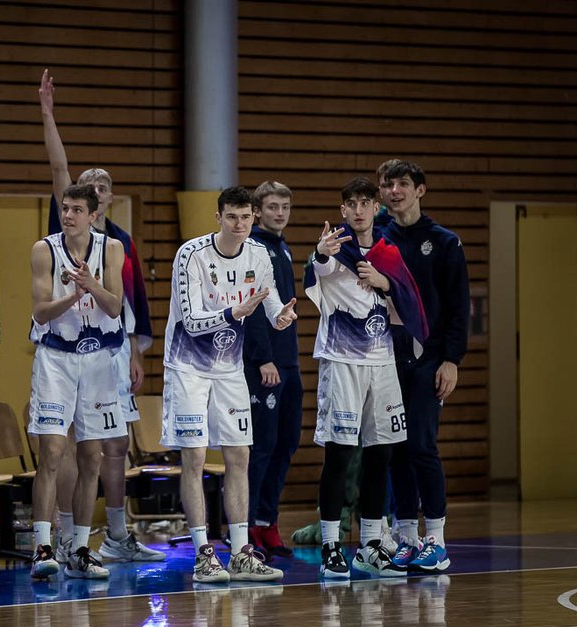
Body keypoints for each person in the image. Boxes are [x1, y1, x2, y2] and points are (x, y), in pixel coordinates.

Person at [37, 69, 162, 563]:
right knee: (61, 447)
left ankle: (112, 536)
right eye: (80, 188)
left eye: (99, 187)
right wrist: (47, 113)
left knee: (109, 447)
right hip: (63, 349)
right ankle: (65, 537)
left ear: (104, 201)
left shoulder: (121, 244)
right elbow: (58, 166)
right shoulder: (60, 225)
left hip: (108, 353)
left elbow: (126, 305)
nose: (89, 191)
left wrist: (134, 351)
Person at [161, 186, 295, 584]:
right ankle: (203, 553)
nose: (240, 225)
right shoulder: (191, 254)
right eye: (232, 217)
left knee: (241, 456)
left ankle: (240, 553)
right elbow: (190, 321)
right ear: (218, 217)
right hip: (188, 366)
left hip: (229, 367)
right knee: (196, 458)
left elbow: (270, 307)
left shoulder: (260, 254)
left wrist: (281, 318)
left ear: (254, 218)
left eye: (246, 217)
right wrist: (233, 311)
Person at [304, 177, 427, 579]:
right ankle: (330, 545)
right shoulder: (332, 249)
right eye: (351, 204)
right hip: (342, 363)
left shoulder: (388, 252)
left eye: (365, 203)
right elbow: (315, 272)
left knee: (381, 453)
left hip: (383, 363)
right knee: (339, 453)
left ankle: (371, 544)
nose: (358, 210)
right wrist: (319, 254)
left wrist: (384, 281)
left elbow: (408, 300)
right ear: (342, 211)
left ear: (377, 208)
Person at [27, 184, 125, 580]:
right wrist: (72, 295)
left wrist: (92, 285)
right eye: (64, 209)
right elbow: (39, 312)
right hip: (56, 358)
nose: (68, 215)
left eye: (76, 210)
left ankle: (82, 548)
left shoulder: (112, 249)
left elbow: (115, 306)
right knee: (51, 452)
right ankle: (43, 547)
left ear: (94, 215)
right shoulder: (43, 249)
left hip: (99, 360)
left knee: (92, 457)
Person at [380, 161, 470, 574]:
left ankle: (436, 539)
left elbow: (457, 307)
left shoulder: (444, 242)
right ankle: (407, 537)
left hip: (430, 358)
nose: (394, 190)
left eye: (403, 184)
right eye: (388, 184)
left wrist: (451, 359)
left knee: (420, 445)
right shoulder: (376, 237)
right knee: (395, 449)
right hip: (385, 357)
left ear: (421, 190)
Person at [242, 181, 302, 559]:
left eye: (285, 206)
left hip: (289, 361)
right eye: (272, 207)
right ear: (258, 211)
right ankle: (247, 526)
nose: (279, 213)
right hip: (264, 364)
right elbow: (254, 308)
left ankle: (269, 522)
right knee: (261, 447)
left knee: (286, 443)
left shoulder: (283, 247)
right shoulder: (255, 248)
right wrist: (263, 357)